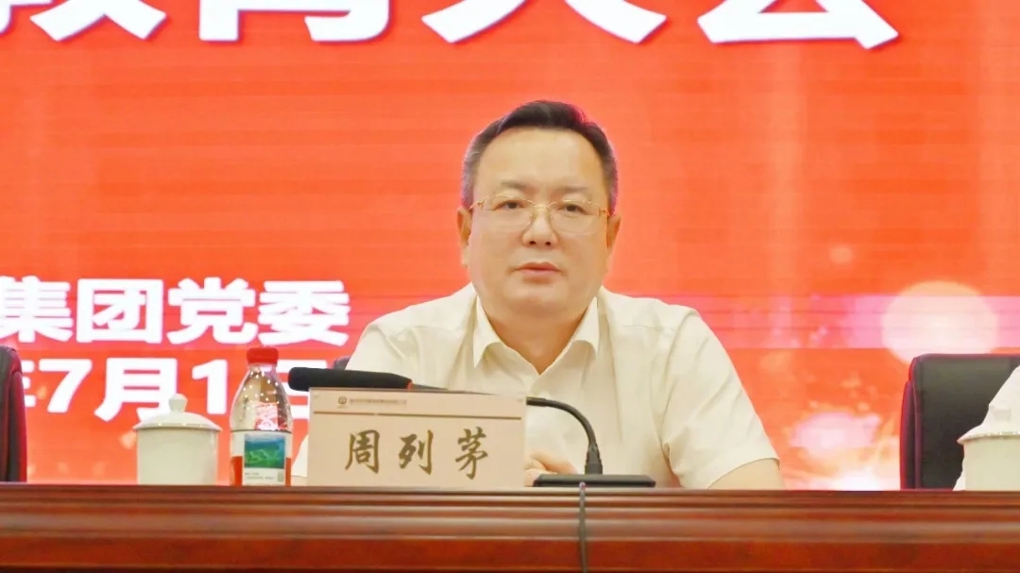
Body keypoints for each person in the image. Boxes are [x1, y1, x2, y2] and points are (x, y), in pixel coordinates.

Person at [292, 100, 783, 489]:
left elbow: (755, 520)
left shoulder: (671, 346)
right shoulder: (404, 350)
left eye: (572, 208)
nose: (541, 232)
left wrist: (587, 523)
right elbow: (318, 521)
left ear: (610, 237)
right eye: (511, 204)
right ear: (466, 232)